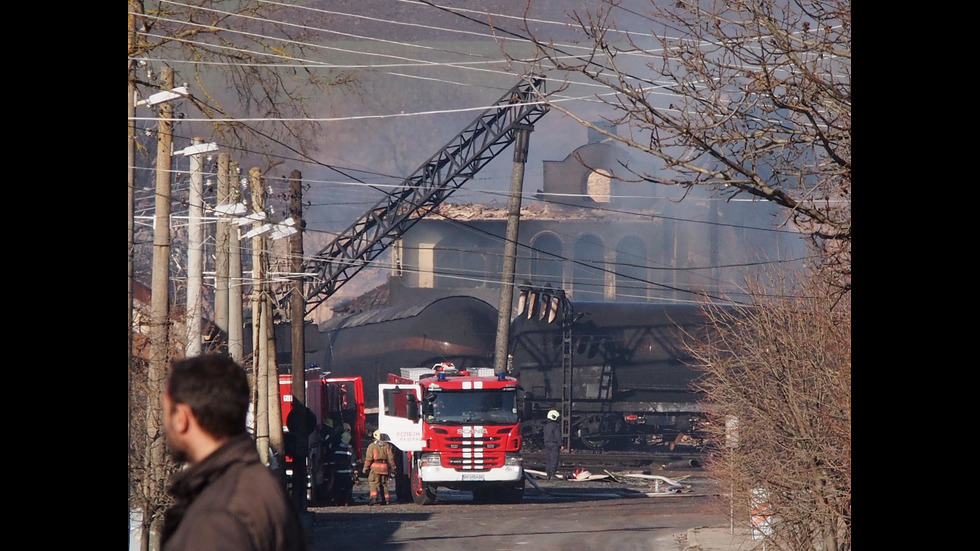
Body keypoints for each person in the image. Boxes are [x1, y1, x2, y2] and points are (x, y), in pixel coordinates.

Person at [160, 353, 308, 551]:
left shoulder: (216, 517)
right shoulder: (262, 484)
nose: (164, 424)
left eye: (166, 412)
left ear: (182, 417)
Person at [362, 429, 397, 505]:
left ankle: (374, 498)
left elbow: (369, 458)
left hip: (375, 468)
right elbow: (391, 458)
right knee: (383, 484)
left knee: (373, 483)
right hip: (384, 468)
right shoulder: (387, 446)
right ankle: (386, 499)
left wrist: (365, 468)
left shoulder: (372, 446)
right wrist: (393, 467)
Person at [328, 426, 356, 506]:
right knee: (347, 488)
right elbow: (353, 462)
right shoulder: (350, 449)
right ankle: (347, 502)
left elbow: (333, 460)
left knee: (337, 487)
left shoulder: (336, 448)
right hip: (347, 472)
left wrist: (332, 469)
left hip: (338, 471)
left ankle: (336, 502)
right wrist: (354, 471)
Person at [543, 409, 564, 481]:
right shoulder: (556, 426)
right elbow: (557, 435)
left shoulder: (546, 426)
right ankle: (552, 474)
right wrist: (561, 444)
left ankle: (548, 474)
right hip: (554, 443)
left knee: (548, 458)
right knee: (554, 459)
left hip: (547, 443)